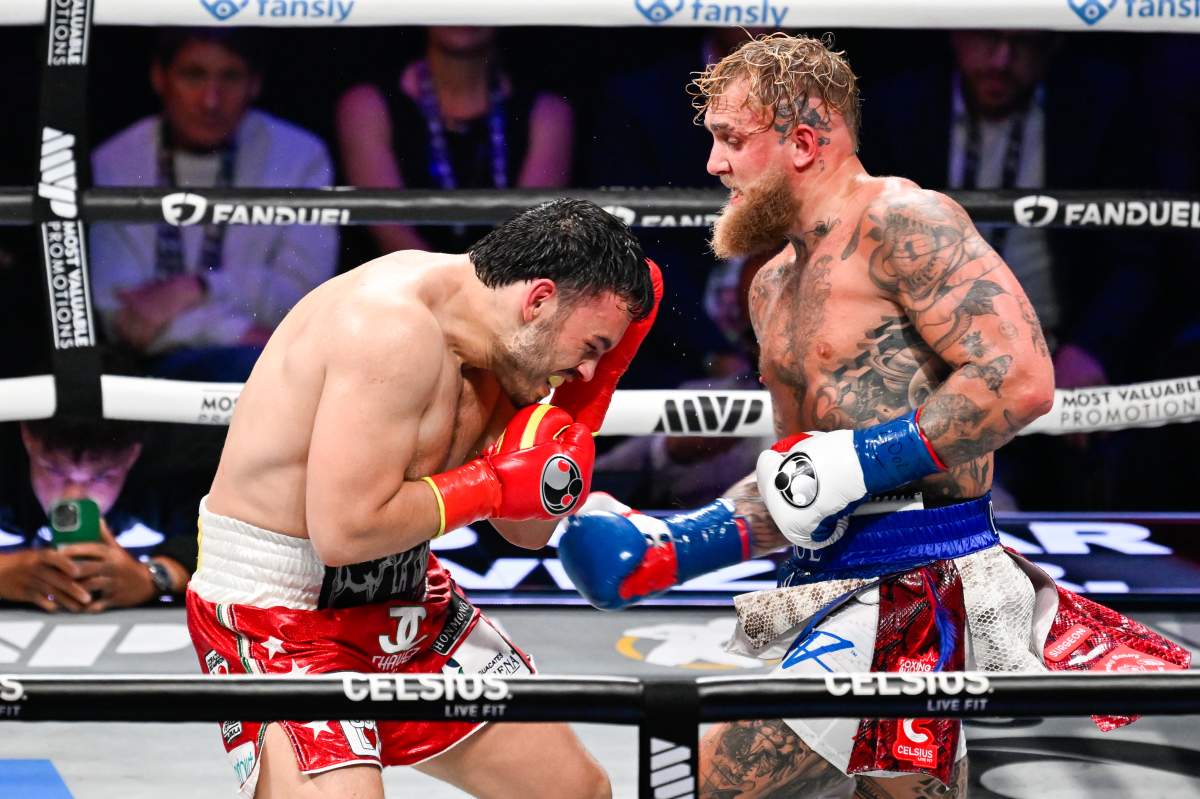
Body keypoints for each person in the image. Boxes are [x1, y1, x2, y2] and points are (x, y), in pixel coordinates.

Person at [558, 34, 1189, 797]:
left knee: (705, 778)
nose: (713, 165)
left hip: (918, 573)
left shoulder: (905, 219)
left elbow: (1020, 379)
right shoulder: (772, 286)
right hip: (831, 575)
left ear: (802, 141)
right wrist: (668, 549)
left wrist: (859, 460)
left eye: (730, 140)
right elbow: (799, 486)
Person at [186, 198, 660, 798]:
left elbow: (526, 530)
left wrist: (571, 421)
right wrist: (489, 484)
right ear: (538, 299)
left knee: (574, 792)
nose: (591, 369)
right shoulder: (390, 329)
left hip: (405, 594)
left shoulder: (508, 350)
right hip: (282, 608)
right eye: (591, 347)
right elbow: (344, 533)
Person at [89, 28, 337, 381]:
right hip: (168, 364)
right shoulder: (115, 159)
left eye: (230, 77)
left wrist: (197, 288)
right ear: (159, 77)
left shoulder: (300, 156)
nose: (211, 100)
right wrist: (235, 334)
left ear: (255, 83)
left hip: (271, 366)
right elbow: (122, 317)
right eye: (194, 75)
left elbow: (304, 296)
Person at [336, 26, 573, 257]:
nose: (463, 11)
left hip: (504, 285)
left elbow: (526, 234)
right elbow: (389, 231)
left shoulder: (548, 112)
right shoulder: (367, 105)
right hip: (400, 289)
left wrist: (478, 290)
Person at [0, 418, 194, 612]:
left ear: (133, 454)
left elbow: (221, 534)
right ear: (27, 438)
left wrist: (155, 576)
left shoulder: (177, 468)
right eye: (54, 471)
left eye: (101, 476)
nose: (73, 497)